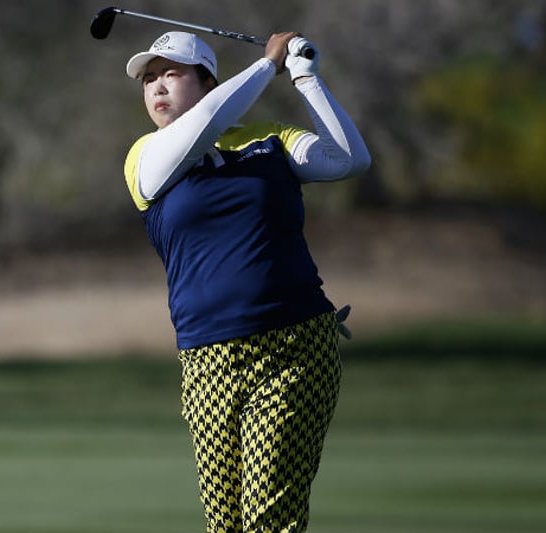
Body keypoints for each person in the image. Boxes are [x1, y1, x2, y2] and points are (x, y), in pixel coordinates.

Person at [121, 30, 370, 532]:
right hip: (206, 359)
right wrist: (265, 67)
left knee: (268, 519)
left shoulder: (268, 140)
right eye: (149, 79)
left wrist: (304, 76)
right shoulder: (146, 157)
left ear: (207, 80)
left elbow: (349, 158)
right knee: (226, 524)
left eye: (171, 74)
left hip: (294, 348)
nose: (157, 88)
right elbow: (203, 125)